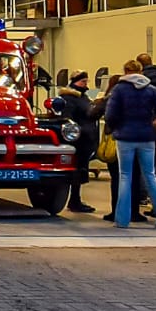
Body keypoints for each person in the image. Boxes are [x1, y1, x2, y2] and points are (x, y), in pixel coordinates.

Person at [103, 60, 156, 230]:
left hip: (125, 137)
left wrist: (115, 128)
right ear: (141, 71)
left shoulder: (119, 89)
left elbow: (110, 115)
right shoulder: (151, 89)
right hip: (147, 137)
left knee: (125, 176)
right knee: (150, 175)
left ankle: (122, 220)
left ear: (125, 71)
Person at [51, 71, 102, 214]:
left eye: (86, 81)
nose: (85, 84)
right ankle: (74, 200)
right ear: (75, 82)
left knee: (81, 171)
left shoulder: (82, 96)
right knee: (77, 171)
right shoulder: (69, 99)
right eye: (83, 81)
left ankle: (76, 199)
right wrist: (79, 131)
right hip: (78, 141)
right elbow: (68, 119)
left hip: (85, 139)